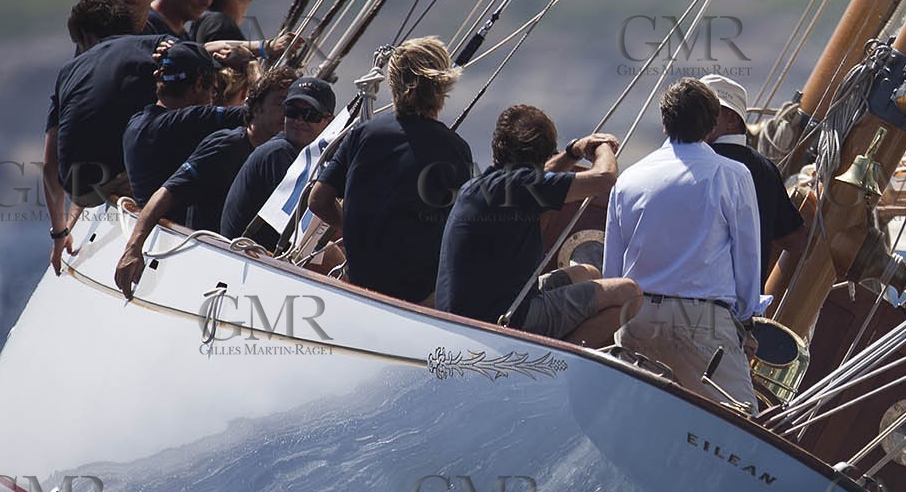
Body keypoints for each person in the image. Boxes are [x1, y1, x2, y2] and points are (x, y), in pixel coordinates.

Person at [604, 78, 761, 410]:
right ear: (711, 122)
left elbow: (612, 271)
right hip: (702, 323)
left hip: (636, 316)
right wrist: (745, 318)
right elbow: (747, 256)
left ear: (664, 123)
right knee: (744, 425)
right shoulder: (733, 175)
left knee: (634, 418)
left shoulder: (629, 178)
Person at [436, 105, 640, 346]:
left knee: (587, 273)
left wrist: (573, 152)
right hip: (499, 322)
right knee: (629, 294)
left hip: (464, 316)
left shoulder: (488, 185)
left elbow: (542, 174)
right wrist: (602, 145)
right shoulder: (520, 186)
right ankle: (557, 367)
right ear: (541, 155)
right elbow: (604, 178)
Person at [306, 37, 472, 304]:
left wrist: (350, 229)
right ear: (443, 86)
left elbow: (318, 200)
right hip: (418, 295)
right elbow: (460, 228)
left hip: (361, 281)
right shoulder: (454, 150)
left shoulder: (363, 134)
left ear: (393, 83)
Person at [115, 67, 298, 299]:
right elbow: (167, 192)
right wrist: (133, 248)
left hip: (253, 265)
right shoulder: (225, 146)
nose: (288, 114)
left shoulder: (285, 156)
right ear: (256, 107)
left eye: (293, 106)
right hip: (209, 262)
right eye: (280, 103)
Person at [44, 0, 171, 272]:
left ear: (85, 36)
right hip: (131, 179)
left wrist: (59, 233)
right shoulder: (153, 45)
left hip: (82, 189)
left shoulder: (68, 71)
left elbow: (50, 165)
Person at [700, 73, 808, 286]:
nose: (694, 117)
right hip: (737, 309)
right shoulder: (765, 169)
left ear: (730, 119)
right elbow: (795, 241)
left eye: (703, 111)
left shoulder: (690, 162)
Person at [222, 76, 337, 250]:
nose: (299, 120)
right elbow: (308, 220)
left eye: (310, 115)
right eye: (291, 111)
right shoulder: (278, 154)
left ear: (329, 121)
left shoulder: (304, 158)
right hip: (243, 258)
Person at [122, 41, 245, 202]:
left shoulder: (136, 122)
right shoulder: (187, 121)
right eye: (213, 90)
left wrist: (175, 55)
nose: (213, 100)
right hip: (181, 225)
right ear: (199, 84)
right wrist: (251, 65)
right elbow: (258, 113)